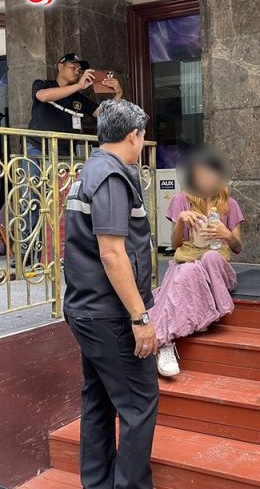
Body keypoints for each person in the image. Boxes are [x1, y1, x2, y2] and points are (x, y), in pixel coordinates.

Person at [63, 99, 157, 489]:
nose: (143, 143)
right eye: (143, 136)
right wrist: (140, 317)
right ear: (133, 135)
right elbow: (112, 253)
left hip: (89, 309)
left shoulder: (91, 169)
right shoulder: (111, 177)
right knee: (139, 403)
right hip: (109, 314)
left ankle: (98, 483)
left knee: (99, 400)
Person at [151, 146, 244, 377]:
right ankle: (164, 343)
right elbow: (175, 246)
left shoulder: (229, 204)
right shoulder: (181, 200)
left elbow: (238, 248)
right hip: (188, 262)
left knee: (209, 257)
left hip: (217, 269)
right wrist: (181, 222)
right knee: (186, 273)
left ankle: (195, 318)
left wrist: (226, 234)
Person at [20, 53, 123, 256]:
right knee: (31, 198)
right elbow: (43, 96)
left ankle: (57, 251)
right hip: (37, 151)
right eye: (73, 67)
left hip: (65, 157)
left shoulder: (79, 98)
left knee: (64, 202)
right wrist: (78, 86)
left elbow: (105, 115)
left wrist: (118, 93)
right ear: (60, 66)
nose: (77, 71)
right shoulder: (43, 84)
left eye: (79, 69)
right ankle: (27, 251)